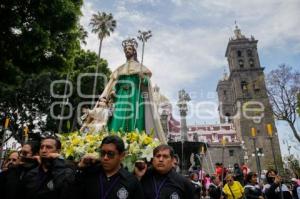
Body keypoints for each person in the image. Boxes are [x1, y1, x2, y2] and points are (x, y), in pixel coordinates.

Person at [83, 38, 166, 143]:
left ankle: (134, 143)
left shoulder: (140, 67)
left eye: (130, 49)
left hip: (135, 97)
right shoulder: (120, 69)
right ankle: (113, 141)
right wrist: (113, 91)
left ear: (134, 51)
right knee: (117, 118)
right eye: (126, 49)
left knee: (134, 118)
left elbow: (146, 83)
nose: (127, 50)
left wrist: (143, 77)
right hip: (120, 97)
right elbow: (114, 83)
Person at [64, 135, 144, 199]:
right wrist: (79, 168)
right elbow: (70, 194)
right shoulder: (89, 173)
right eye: (102, 153)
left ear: (122, 156)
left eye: (110, 154)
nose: (105, 158)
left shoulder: (131, 181)